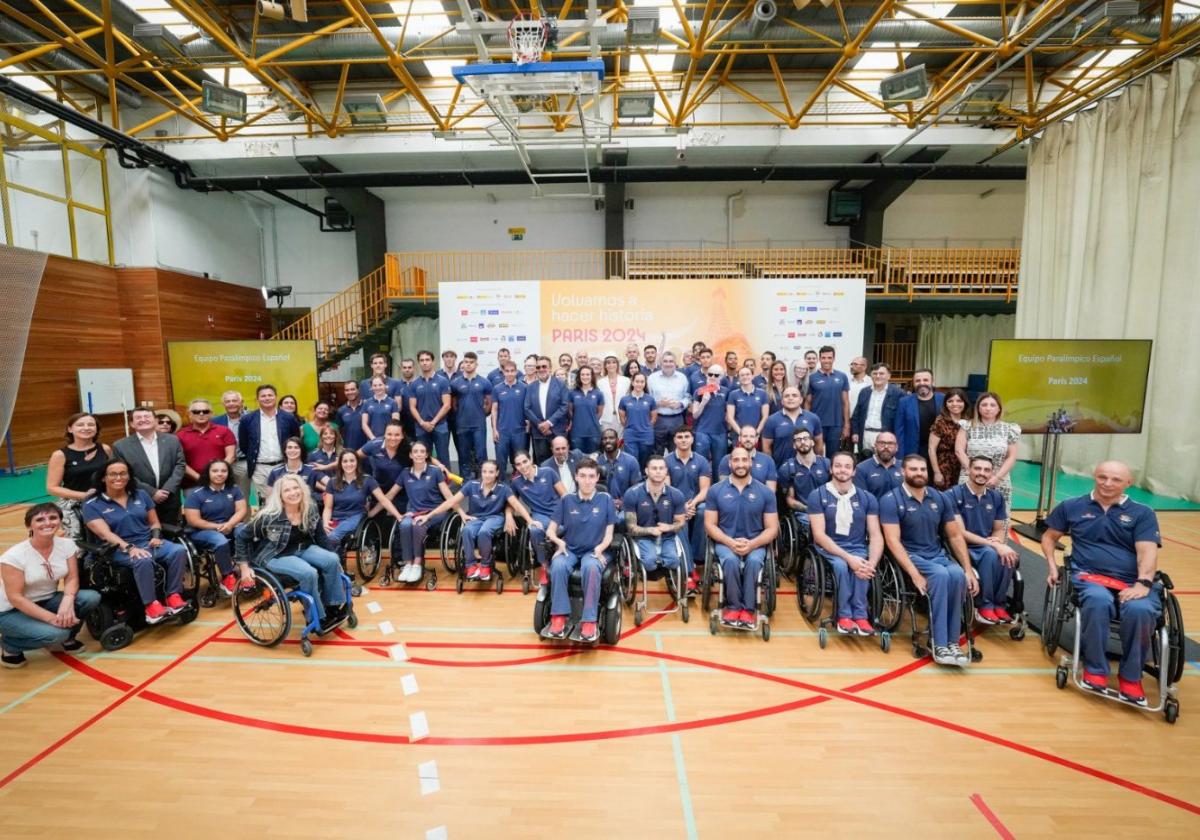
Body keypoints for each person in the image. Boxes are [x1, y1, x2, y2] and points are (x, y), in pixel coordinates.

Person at [1041, 461, 1162, 705]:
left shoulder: (1142, 513)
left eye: (1116, 479)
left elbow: (1147, 552)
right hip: (1089, 576)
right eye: (1102, 477)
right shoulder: (1072, 506)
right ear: (1094, 477)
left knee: (1140, 610)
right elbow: (1049, 536)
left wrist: (1142, 584)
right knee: (1097, 601)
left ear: (1129, 483)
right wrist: (1052, 566)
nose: (1107, 483)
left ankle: (1131, 677)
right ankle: (1095, 669)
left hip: (1131, 580)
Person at [879, 455, 978, 667]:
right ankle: (938, 642)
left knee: (958, 575)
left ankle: (953, 642)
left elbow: (954, 536)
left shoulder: (940, 498)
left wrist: (968, 569)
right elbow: (892, 541)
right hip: (912, 555)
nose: (919, 473)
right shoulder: (890, 500)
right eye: (913, 469)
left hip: (937, 554)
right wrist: (914, 574)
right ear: (903, 473)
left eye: (923, 469)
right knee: (941, 575)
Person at [82, 459, 189, 625]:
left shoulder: (141, 495)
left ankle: (173, 595)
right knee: (142, 559)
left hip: (147, 542)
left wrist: (155, 535)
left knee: (178, 551)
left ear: (129, 476)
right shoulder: (92, 504)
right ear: (104, 478)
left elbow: (154, 522)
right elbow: (105, 534)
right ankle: (151, 606)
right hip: (116, 549)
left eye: (123, 473)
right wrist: (129, 548)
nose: (119, 477)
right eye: (113, 474)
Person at [236, 473, 347, 629]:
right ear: (280, 496)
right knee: (309, 573)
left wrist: (332, 556)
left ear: (302, 490)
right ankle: (314, 616)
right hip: (276, 555)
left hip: (302, 548)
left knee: (332, 560)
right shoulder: (269, 515)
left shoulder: (310, 507)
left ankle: (333, 606)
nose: (293, 492)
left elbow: (321, 536)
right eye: (287, 490)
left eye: (296, 488)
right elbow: (241, 537)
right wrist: (244, 567)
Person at [0, 504, 100, 667]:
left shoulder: (67, 545)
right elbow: (15, 598)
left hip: (47, 600)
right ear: (29, 525)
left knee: (90, 598)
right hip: (10, 611)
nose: (48, 523)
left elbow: (72, 578)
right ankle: (10, 645)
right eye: (40, 519)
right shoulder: (13, 557)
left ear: (60, 521)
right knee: (56, 634)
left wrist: (67, 601)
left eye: (53, 518)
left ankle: (67, 637)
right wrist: (53, 619)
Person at [807, 452, 884, 637]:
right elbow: (818, 535)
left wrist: (871, 563)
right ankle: (843, 615)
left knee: (863, 565)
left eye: (847, 466)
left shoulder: (867, 498)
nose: (842, 469)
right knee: (842, 566)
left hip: (857, 547)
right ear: (831, 469)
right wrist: (849, 558)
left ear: (854, 471)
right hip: (829, 547)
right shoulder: (817, 495)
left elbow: (875, 535)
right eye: (838, 465)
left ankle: (860, 616)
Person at [704, 446, 780, 628]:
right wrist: (730, 542)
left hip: (756, 543)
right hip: (725, 542)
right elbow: (710, 525)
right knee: (730, 561)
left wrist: (752, 544)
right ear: (730, 463)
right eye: (736, 460)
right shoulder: (715, 490)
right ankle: (733, 607)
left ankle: (748, 610)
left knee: (754, 562)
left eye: (744, 460)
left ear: (750, 462)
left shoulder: (766, 492)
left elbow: (771, 529)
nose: (740, 464)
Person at [544, 458, 619, 641]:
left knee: (591, 568)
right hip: (570, 548)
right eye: (583, 476)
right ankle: (558, 617)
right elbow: (550, 530)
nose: (587, 480)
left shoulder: (605, 499)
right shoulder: (566, 500)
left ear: (597, 478)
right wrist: (558, 542)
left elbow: (609, 534)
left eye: (591, 476)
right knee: (558, 566)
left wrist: (601, 549)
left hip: (594, 550)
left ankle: (589, 621)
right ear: (576, 477)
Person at [419, 460, 519, 582]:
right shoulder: (472, 485)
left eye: (491, 472)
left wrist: (528, 520)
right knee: (466, 530)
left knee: (484, 532)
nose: (487, 475)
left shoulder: (504, 488)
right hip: (476, 517)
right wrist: (429, 515)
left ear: (497, 473)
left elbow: (516, 504)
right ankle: (470, 565)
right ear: (481, 472)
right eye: (484, 471)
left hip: (495, 517)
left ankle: (485, 565)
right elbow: (451, 502)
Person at [949, 457, 1018, 626]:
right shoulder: (953, 495)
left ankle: (999, 603)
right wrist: (995, 545)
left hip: (986, 545)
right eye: (977, 468)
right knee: (990, 554)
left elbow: (999, 528)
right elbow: (960, 533)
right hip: (963, 546)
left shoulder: (996, 497)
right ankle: (984, 605)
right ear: (968, 470)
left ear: (992, 473)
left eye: (987, 470)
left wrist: (1000, 544)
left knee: (1009, 555)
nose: (982, 473)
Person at [183, 459, 247, 598]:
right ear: (208, 473)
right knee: (220, 540)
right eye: (215, 471)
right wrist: (218, 527)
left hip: (230, 525)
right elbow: (193, 520)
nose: (220, 474)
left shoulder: (234, 489)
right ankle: (227, 577)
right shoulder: (196, 494)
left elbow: (241, 510)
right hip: (203, 531)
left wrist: (229, 524)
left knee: (246, 532)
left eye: (223, 471)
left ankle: (247, 569)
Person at [392, 442, 455, 583]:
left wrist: (462, 513)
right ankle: (408, 563)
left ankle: (417, 564)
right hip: (413, 512)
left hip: (435, 511)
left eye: (422, 451)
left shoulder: (435, 471)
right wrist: (375, 510)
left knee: (417, 524)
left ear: (427, 455)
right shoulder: (405, 473)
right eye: (416, 451)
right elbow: (389, 496)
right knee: (404, 524)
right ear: (411, 455)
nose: (419, 454)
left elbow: (450, 498)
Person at [113, 406, 187, 526]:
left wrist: (167, 490)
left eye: (147, 416)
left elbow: (180, 465)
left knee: (171, 533)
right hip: (140, 499)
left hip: (170, 498)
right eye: (138, 418)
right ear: (132, 423)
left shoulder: (172, 440)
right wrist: (152, 492)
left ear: (155, 421)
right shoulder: (120, 446)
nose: (143, 419)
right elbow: (123, 474)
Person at [46, 412, 111, 539]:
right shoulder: (60, 455)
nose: (86, 428)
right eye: (80, 424)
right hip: (74, 504)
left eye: (91, 424)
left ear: (96, 429)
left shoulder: (105, 449)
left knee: (109, 537)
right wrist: (83, 496)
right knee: (78, 544)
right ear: (70, 429)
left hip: (104, 500)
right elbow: (52, 487)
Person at [955, 391, 1021, 516]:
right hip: (970, 477)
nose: (988, 408)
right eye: (984, 405)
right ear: (978, 408)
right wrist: (973, 472)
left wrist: (997, 478)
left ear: (999, 408)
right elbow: (959, 450)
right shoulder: (967, 426)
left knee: (998, 516)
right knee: (967, 515)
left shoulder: (1010, 429)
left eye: (992, 405)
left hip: (999, 479)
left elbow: (1012, 457)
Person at [510, 451, 568, 586]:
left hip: (558, 511)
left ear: (531, 460)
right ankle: (544, 566)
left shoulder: (548, 472)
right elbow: (511, 502)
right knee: (535, 530)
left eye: (525, 461)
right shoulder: (516, 482)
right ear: (515, 467)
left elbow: (565, 495)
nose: (523, 466)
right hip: (539, 515)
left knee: (562, 529)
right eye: (518, 464)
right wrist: (508, 515)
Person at [238, 384, 302, 505]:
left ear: (275, 397)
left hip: (283, 465)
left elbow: (295, 439)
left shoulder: (288, 418)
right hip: (259, 468)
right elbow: (244, 445)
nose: (267, 398)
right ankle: (268, 524)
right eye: (263, 396)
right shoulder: (248, 419)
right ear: (257, 399)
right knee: (265, 501)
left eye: (270, 395)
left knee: (287, 498)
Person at [623, 456, 687, 576]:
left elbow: (681, 522)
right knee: (649, 563)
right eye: (654, 468)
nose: (658, 471)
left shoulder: (677, 494)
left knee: (674, 561)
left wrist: (669, 527)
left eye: (661, 468)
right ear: (646, 471)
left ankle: (661, 569)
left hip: (667, 538)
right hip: (644, 538)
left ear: (666, 471)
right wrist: (650, 530)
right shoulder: (632, 493)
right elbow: (631, 528)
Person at [665, 427, 710, 594]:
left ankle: (698, 560)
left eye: (686, 436)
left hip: (695, 503)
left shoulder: (702, 461)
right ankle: (689, 568)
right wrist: (682, 506)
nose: (683, 440)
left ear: (692, 439)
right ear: (675, 440)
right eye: (680, 436)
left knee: (704, 511)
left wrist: (693, 503)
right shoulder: (667, 461)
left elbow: (705, 489)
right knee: (680, 519)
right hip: (674, 505)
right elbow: (667, 489)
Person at [449, 351, 493, 480]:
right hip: (462, 425)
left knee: (481, 454)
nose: (468, 365)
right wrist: (460, 416)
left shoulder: (484, 382)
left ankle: (483, 480)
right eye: (466, 362)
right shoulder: (455, 383)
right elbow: (453, 404)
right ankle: (466, 481)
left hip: (479, 425)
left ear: (476, 364)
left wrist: (481, 414)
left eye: (471, 362)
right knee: (463, 454)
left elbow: (489, 403)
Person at [177, 398, 236, 489]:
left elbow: (231, 456)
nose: (201, 414)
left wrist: (217, 474)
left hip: (221, 482)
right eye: (196, 411)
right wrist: (200, 478)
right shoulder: (180, 435)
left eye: (205, 411)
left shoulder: (224, 431)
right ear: (190, 414)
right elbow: (179, 462)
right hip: (192, 484)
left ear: (211, 414)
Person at [780, 429, 830, 530]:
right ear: (794, 445)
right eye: (798, 440)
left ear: (812, 442)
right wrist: (809, 509)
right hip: (804, 513)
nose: (802, 442)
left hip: (828, 509)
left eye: (806, 438)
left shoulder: (826, 464)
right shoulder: (787, 468)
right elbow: (790, 499)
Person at [409, 350, 453, 465]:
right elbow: (412, 407)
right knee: (423, 457)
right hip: (421, 426)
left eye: (427, 360)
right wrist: (422, 422)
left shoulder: (443, 381)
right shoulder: (414, 383)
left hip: (440, 425)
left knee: (443, 457)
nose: (425, 363)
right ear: (419, 363)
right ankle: (427, 481)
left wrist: (433, 422)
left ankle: (445, 482)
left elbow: (447, 405)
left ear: (433, 362)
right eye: (422, 360)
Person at [851, 363, 904, 457]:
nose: (878, 376)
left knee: (883, 463)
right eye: (875, 373)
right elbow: (856, 414)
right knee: (865, 463)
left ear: (889, 376)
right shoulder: (864, 392)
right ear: (871, 375)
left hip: (885, 437)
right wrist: (855, 432)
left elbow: (901, 420)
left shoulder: (898, 394)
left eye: (881, 373)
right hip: (865, 435)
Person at [524, 355, 569, 465]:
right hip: (539, 431)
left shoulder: (560, 384)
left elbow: (564, 406)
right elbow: (527, 408)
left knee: (561, 463)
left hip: (557, 430)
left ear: (550, 368)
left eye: (544, 366)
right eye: (538, 367)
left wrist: (549, 423)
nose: (541, 369)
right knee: (542, 464)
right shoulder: (531, 387)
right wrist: (540, 424)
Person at [805, 345, 850, 453]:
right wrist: (807, 424)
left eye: (829, 358)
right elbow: (807, 403)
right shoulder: (811, 378)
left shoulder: (842, 376)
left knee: (833, 457)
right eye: (824, 358)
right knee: (816, 456)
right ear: (819, 359)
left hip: (835, 424)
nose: (826, 360)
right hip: (817, 423)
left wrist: (847, 425)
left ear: (834, 358)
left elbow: (846, 402)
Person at [762, 387, 823, 465]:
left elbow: (818, 444)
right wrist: (771, 467)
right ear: (782, 401)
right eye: (787, 396)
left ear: (801, 400)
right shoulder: (772, 420)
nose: (790, 398)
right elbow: (766, 447)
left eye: (794, 395)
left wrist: (818, 465)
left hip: (807, 469)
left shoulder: (813, 418)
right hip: (781, 469)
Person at [357, 421, 413, 507]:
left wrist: (440, 465)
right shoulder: (374, 444)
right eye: (389, 434)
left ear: (402, 436)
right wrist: (328, 467)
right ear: (384, 435)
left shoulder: (409, 446)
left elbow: (427, 457)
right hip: (379, 493)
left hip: (401, 494)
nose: (393, 438)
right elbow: (352, 457)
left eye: (397, 435)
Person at [895, 368, 943, 463]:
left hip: (939, 452)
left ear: (932, 382)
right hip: (913, 451)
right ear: (913, 383)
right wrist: (899, 457)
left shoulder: (943, 399)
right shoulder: (904, 402)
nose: (921, 383)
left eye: (925, 380)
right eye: (917, 380)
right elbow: (899, 431)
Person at [647, 352, 690, 456]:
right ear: (661, 363)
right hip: (658, 420)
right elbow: (647, 399)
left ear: (675, 363)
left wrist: (680, 404)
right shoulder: (652, 378)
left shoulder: (682, 378)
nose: (668, 364)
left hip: (677, 419)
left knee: (676, 451)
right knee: (657, 451)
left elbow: (688, 396)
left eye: (671, 361)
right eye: (665, 361)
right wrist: (658, 403)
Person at [491, 360, 529, 477]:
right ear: (503, 372)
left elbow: (528, 408)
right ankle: (500, 483)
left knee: (519, 460)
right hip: (502, 431)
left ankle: (520, 484)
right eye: (507, 371)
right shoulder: (497, 389)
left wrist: (528, 425)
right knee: (501, 461)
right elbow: (494, 409)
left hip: (520, 431)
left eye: (512, 371)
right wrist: (494, 430)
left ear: (516, 371)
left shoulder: (524, 387)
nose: (510, 373)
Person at [929, 388, 971, 490]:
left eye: (959, 401)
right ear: (945, 404)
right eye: (950, 401)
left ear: (965, 403)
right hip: (945, 465)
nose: (954, 404)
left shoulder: (970, 420)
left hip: (965, 464)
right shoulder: (940, 421)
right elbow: (931, 448)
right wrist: (937, 472)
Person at [212, 390, 251, 499]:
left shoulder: (250, 418)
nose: (231, 404)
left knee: (242, 497)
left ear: (241, 402)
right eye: (228, 401)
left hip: (243, 463)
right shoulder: (215, 421)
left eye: (234, 400)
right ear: (223, 404)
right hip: (222, 463)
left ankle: (244, 516)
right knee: (221, 496)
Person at [690, 364, 729, 472]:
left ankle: (717, 487)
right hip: (702, 432)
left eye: (716, 375)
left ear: (721, 377)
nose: (712, 377)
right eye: (710, 374)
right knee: (701, 463)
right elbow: (695, 415)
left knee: (719, 464)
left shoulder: (726, 391)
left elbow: (729, 413)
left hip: (720, 432)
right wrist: (703, 402)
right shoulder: (699, 391)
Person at [717, 426, 778, 491]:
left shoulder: (768, 461)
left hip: (759, 500)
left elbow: (770, 492)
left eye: (751, 436)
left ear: (757, 439)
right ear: (739, 438)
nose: (748, 439)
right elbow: (723, 490)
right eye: (745, 436)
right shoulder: (727, 459)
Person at [595, 428, 642, 508]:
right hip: (601, 506)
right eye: (604, 439)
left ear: (618, 440)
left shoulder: (631, 461)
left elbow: (636, 489)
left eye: (611, 438)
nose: (608, 441)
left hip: (626, 506)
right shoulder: (596, 462)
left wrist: (623, 502)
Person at [618, 372, 656, 469]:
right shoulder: (625, 399)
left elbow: (654, 418)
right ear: (632, 382)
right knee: (632, 461)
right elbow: (622, 417)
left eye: (642, 382)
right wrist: (630, 427)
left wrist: (646, 427)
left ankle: (643, 480)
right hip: (630, 435)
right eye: (637, 381)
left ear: (645, 383)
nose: (639, 384)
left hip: (646, 435)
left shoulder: (650, 399)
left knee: (645, 462)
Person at [567, 363, 605, 455]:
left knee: (593, 460)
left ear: (592, 376)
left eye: (588, 374)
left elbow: (599, 413)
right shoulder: (572, 393)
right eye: (582, 374)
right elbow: (570, 411)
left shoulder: (598, 393)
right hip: (577, 433)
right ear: (579, 377)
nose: (585, 377)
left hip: (593, 433)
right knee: (578, 460)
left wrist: (590, 422)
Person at [853, 431, 903, 499]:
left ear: (896, 447)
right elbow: (861, 499)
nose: (886, 447)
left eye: (890, 443)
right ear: (875, 446)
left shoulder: (904, 467)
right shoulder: (861, 468)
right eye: (882, 443)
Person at [726, 366, 770, 438]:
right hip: (738, 435)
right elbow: (730, 418)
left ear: (752, 376)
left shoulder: (762, 393)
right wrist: (741, 433)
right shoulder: (733, 394)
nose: (745, 377)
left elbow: (765, 416)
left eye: (747, 374)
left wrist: (756, 433)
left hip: (757, 436)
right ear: (739, 378)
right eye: (742, 375)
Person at [362, 375, 402, 443]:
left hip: (388, 440)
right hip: (372, 440)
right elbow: (364, 424)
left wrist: (386, 438)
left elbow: (395, 424)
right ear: (371, 387)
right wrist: (373, 438)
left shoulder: (393, 403)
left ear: (385, 385)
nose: (378, 387)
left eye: (380, 385)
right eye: (375, 385)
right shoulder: (367, 403)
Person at [598, 355, 630, 437]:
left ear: (617, 365)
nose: (611, 365)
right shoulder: (600, 382)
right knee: (607, 442)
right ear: (605, 366)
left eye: (614, 362)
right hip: (606, 418)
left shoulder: (626, 381)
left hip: (622, 418)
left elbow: (629, 400)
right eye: (608, 363)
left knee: (620, 442)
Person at [337, 381, 368, 453]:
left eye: (352, 389)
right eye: (347, 390)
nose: (350, 392)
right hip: (349, 451)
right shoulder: (341, 410)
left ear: (358, 390)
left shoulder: (367, 406)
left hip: (367, 451)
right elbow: (338, 431)